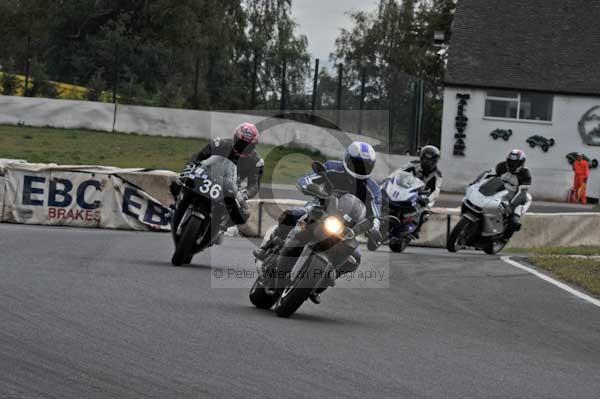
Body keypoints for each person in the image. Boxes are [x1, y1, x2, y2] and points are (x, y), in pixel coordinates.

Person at [253, 141, 382, 304]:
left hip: (345, 227)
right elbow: (307, 179)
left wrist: (375, 228)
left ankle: (319, 285)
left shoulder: (373, 188)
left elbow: (375, 214)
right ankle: (267, 247)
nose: (359, 169)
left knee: (354, 258)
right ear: (347, 159)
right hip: (319, 210)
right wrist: (309, 186)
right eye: (356, 164)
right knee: (292, 215)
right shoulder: (332, 167)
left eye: (364, 166)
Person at [170, 122, 264, 243]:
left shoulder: (256, 162)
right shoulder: (219, 144)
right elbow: (198, 157)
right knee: (177, 182)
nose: (242, 147)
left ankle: (221, 227)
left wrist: (244, 194)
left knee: (244, 213)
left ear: (254, 146)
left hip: (231, 186)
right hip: (206, 175)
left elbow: (254, 184)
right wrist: (189, 168)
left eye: (247, 145)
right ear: (235, 137)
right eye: (241, 143)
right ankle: (177, 205)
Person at [385, 145, 442, 236]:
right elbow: (399, 171)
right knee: (390, 198)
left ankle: (416, 229)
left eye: (429, 160)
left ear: (435, 161)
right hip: (409, 189)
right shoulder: (414, 163)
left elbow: (436, 190)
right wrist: (389, 178)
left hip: (424, 195)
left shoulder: (437, 174)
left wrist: (427, 199)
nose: (426, 162)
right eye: (424, 159)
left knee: (425, 213)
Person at [494, 149, 532, 233]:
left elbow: (522, 193)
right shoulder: (501, 166)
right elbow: (488, 176)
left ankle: (505, 237)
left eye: (515, 162)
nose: (512, 165)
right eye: (510, 162)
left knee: (514, 222)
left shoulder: (525, 173)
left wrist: (511, 206)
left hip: (515, 198)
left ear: (521, 162)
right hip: (498, 194)